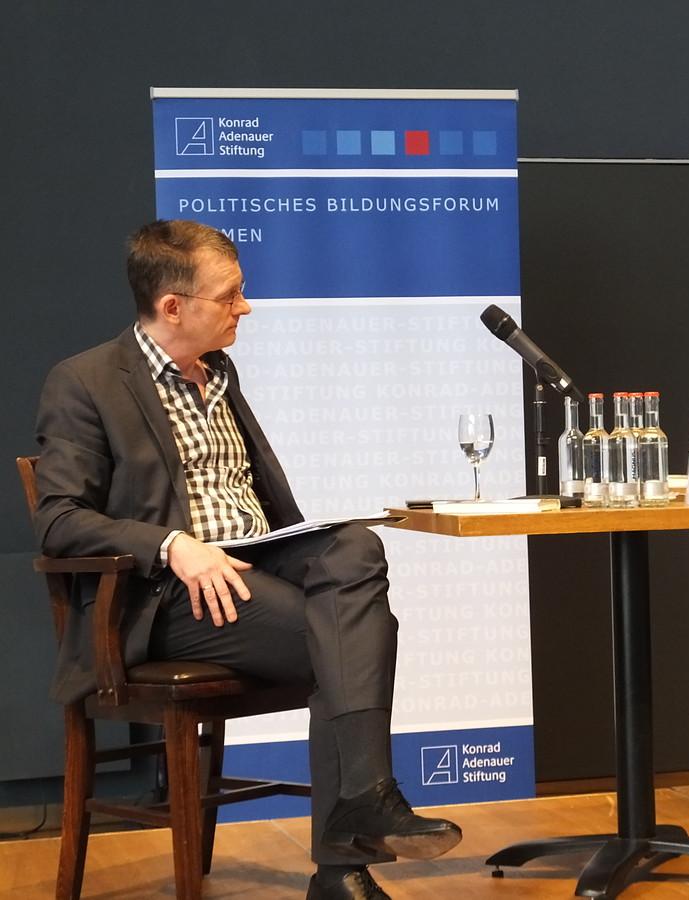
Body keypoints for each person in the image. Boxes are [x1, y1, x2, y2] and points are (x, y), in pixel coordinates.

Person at [34, 219, 460, 900]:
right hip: (165, 596)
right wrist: (173, 546)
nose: (246, 307)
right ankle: (347, 852)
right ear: (173, 306)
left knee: (356, 545)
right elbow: (58, 518)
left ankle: (362, 805)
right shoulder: (86, 381)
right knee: (346, 640)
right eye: (229, 295)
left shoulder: (220, 374)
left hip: (255, 565)